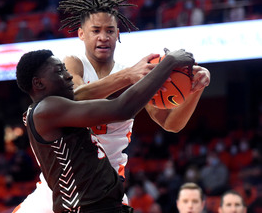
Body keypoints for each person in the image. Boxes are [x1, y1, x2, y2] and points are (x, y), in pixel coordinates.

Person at [13, 0, 210, 212]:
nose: (103, 37)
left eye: (110, 30)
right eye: (95, 30)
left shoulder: (136, 73)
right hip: (62, 186)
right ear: (81, 34)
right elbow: (76, 98)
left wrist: (195, 89)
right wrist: (129, 77)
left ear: (118, 34)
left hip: (105, 187)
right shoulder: (71, 66)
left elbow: (170, 124)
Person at [15, 48, 195, 212]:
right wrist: (168, 63)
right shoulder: (47, 109)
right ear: (38, 84)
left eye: (65, 69)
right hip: (86, 207)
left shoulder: (51, 109)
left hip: (103, 204)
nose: (68, 76)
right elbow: (121, 108)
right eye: (59, 71)